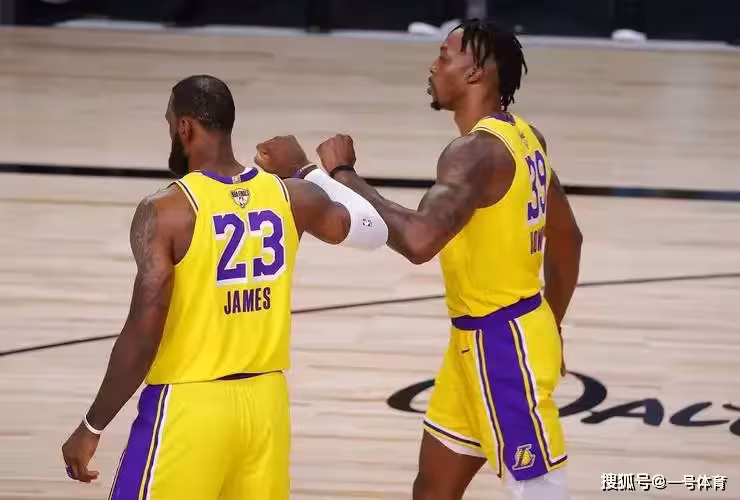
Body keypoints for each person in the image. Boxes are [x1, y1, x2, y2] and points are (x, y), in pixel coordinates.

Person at [260, 19, 582, 500]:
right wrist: (548, 326)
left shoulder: (474, 153)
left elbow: (418, 241)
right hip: (482, 338)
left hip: (502, 344)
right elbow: (569, 239)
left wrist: (337, 175)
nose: (434, 66)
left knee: (538, 490)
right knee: (432, 488)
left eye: (445, 56)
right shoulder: (526, 136)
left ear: (475, 73)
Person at [61, 74, 389, 499]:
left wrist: (92, 426)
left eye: (169, 122)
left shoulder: (167, 209)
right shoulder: (291, 196)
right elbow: (374, 229)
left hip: (190, 408)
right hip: (266, 408)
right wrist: (311, 173)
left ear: (184, 127)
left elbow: (143, 334)